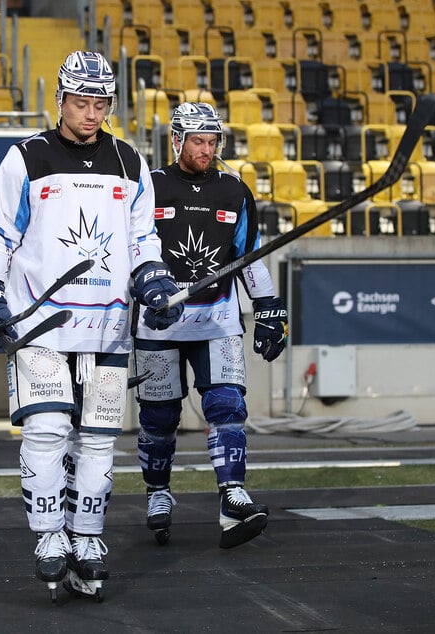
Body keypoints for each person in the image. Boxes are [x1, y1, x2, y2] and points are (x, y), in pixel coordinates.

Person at [0, 50, 182, 602]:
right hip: (39, 325)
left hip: (107, 327)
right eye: (81, 101)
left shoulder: (130, 161)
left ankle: (87, 538)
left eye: (100, 103)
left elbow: (142, 239)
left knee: (99, 439)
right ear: (60, 99)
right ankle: (48, 536)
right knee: (45, 430)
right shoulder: (26, 157)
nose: (90, 113)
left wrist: (153, 281)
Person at [133, 102, 289, 549]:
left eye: (212, 141)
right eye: (198, 141)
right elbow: (129, 250)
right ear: (177, 140)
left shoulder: (235, 190)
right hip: (158, 323)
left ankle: (232, 496)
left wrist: (268, 307)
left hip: (218, 319)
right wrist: (141, 292)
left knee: (227, 405)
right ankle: (158, 493)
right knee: (159, 417)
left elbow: (250, 256)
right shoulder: (149, 187)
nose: (206, 149)